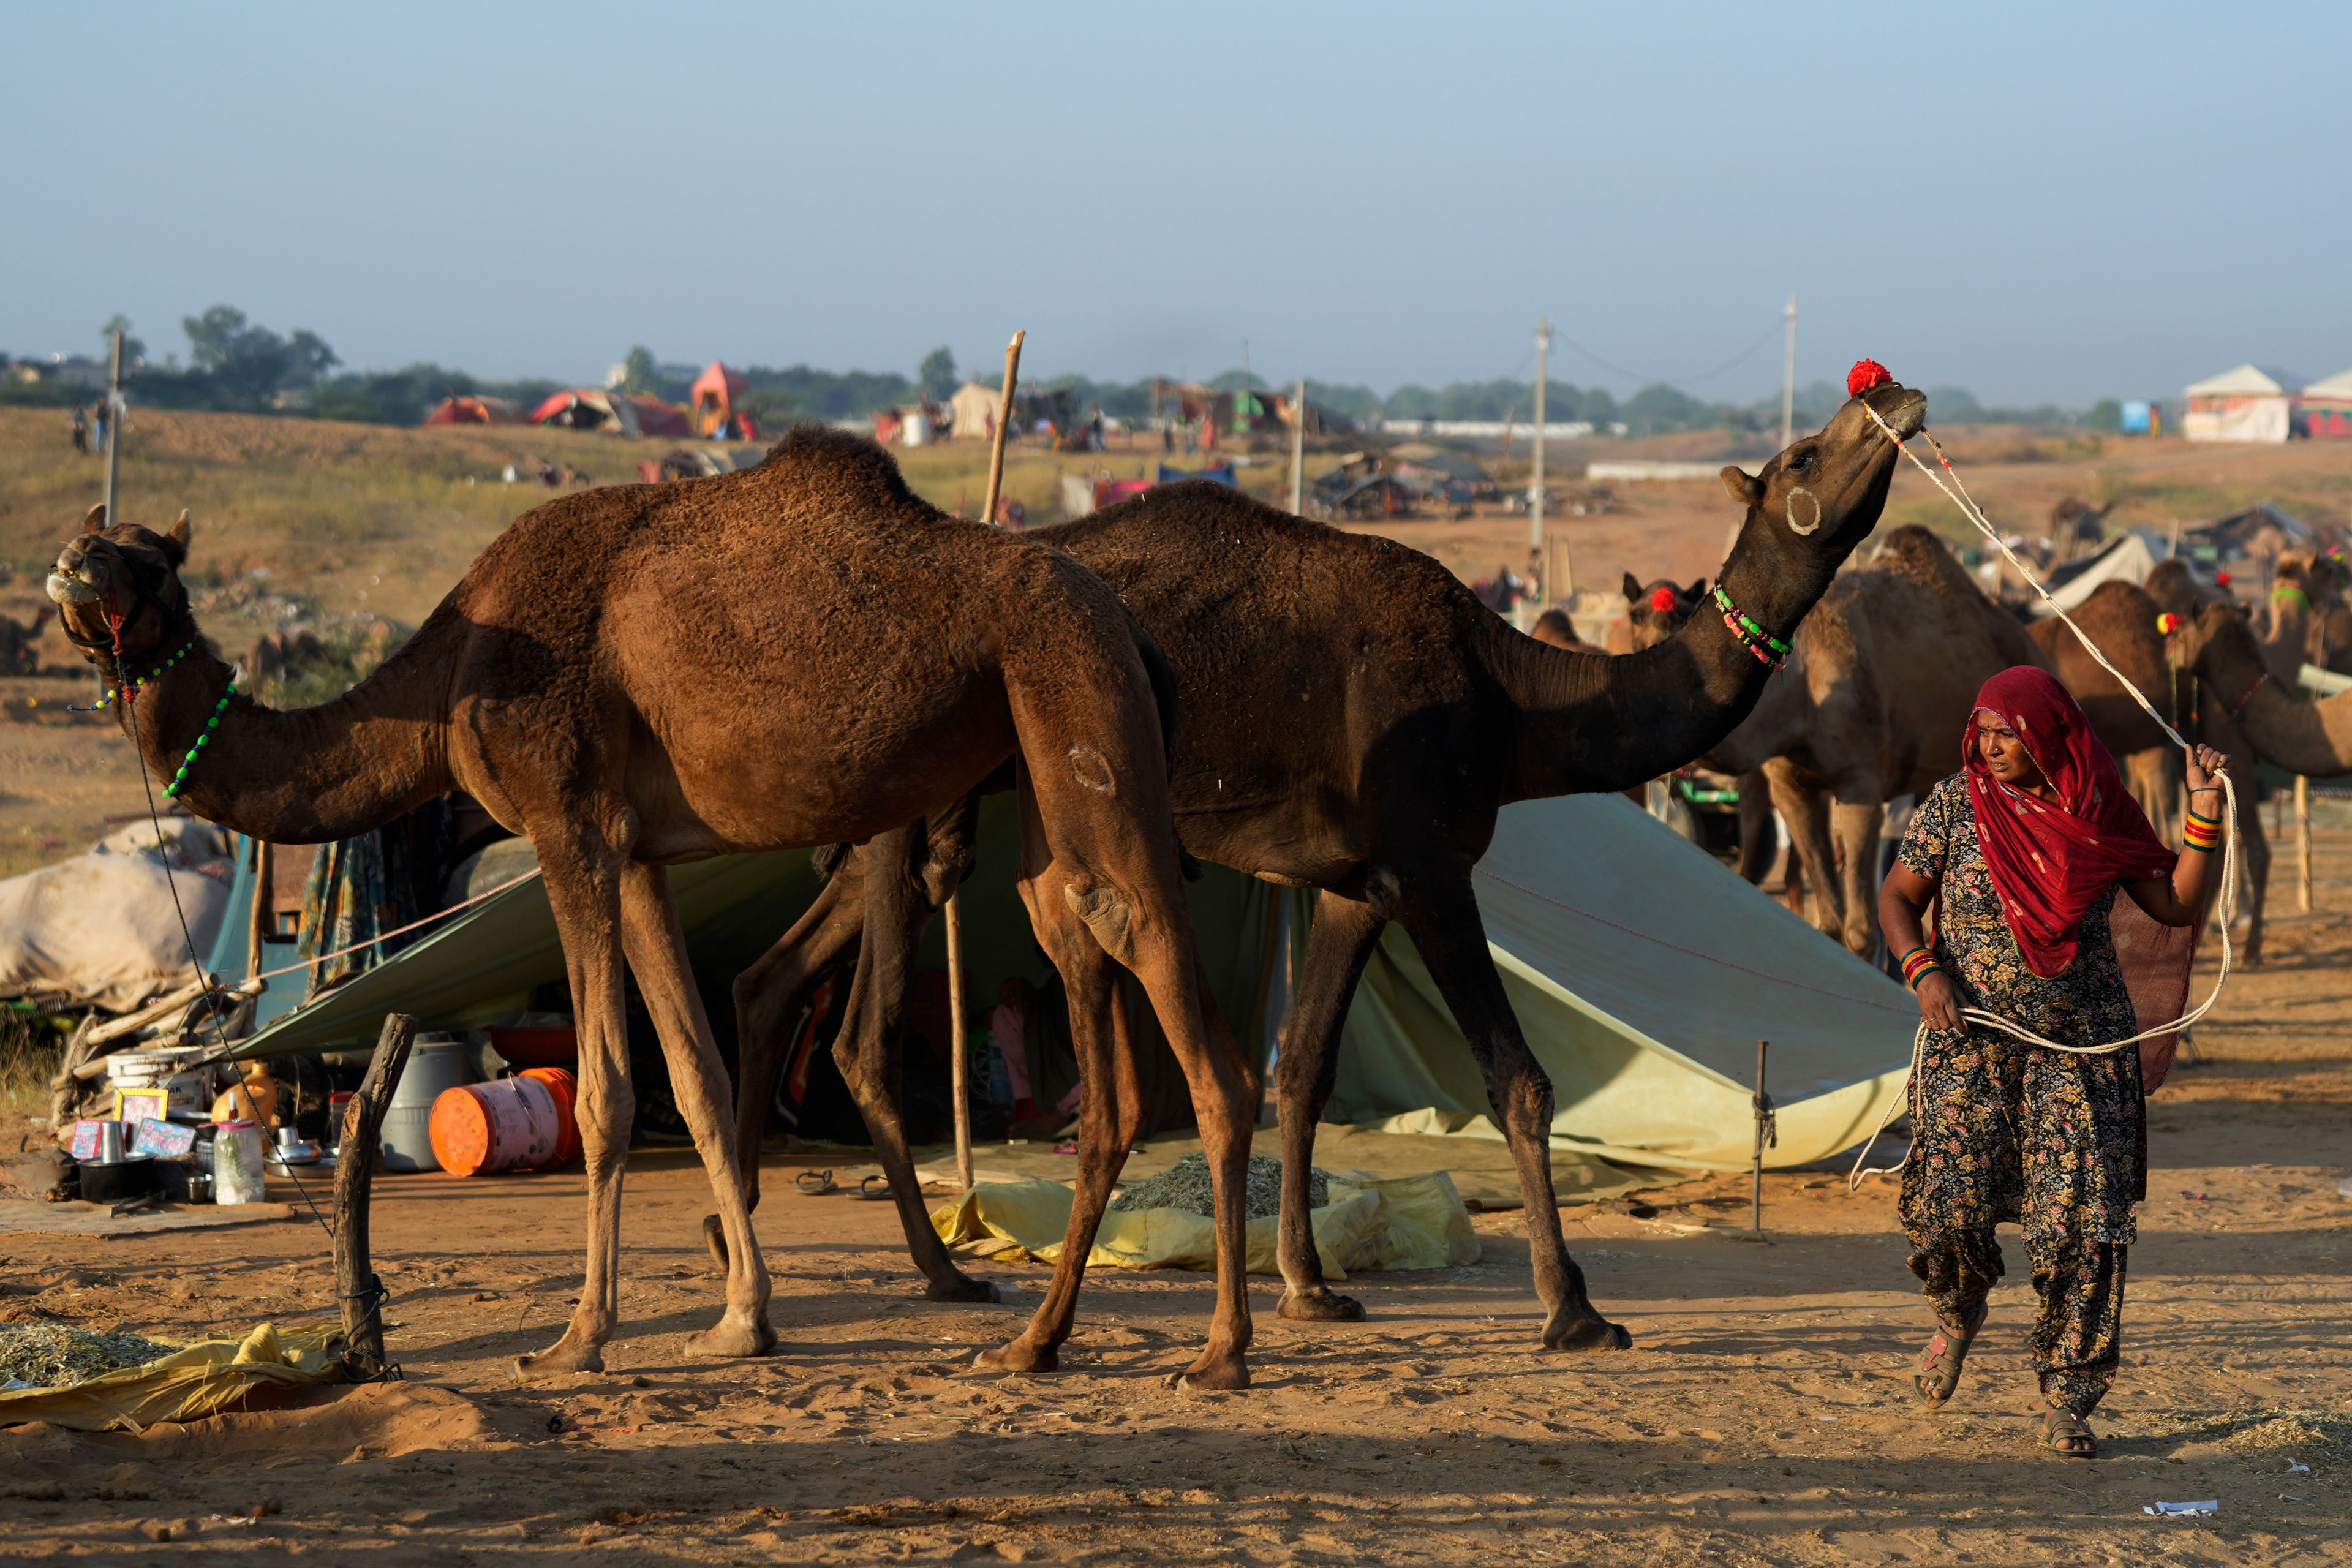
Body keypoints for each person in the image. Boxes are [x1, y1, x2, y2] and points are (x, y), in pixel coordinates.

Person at [1877, 666, 2226, 1458]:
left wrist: (2204, 814)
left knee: (2083, 1227)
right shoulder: (1957, 804)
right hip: (1971, 1037)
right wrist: (1923, 972)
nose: (1991, 747)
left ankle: (2068, 1396)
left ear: (2049, 735)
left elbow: (2175, 903)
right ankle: (1957, 1314)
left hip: (2080, 1050)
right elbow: (1898, 898)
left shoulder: (2099, 811)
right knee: (1948, 1211)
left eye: (2009, 733)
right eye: (1985, 731)